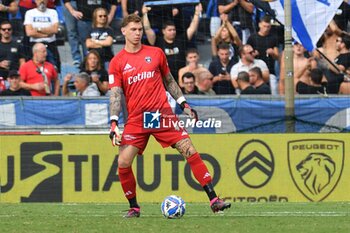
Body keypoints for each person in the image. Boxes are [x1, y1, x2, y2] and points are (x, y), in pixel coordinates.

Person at [108, 14, 230, 218]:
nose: (137, 33)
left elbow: (170, 81)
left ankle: (214, 200)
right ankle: (134, 207)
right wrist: (113, 122)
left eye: (139, 30)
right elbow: (115, 94)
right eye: (133, 30)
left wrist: (184, 104)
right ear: (123, 31)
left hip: (160, 114)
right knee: (123, 163)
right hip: (137, 119)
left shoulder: (156, 53)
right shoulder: (117, 62)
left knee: (189, 149)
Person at [142, 3, 202, 83]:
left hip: (181, 78)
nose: (172, 32)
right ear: (163, 31)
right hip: (163, 78)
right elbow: (147, 29)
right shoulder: (157, 41)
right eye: (170, 30)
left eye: (174, 30)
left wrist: (197, 13)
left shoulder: (181, 39)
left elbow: (192, 27)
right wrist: (145, 14)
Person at [24, 0, 61, 72]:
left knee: (54, 69)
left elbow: (55, 30)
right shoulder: (29, 13)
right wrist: (47, 34)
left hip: (51, 45)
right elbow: (29, 33)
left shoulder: (53, 12)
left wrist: (38, 29)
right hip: (35, 45)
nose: (42, 1)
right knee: (34, 70)